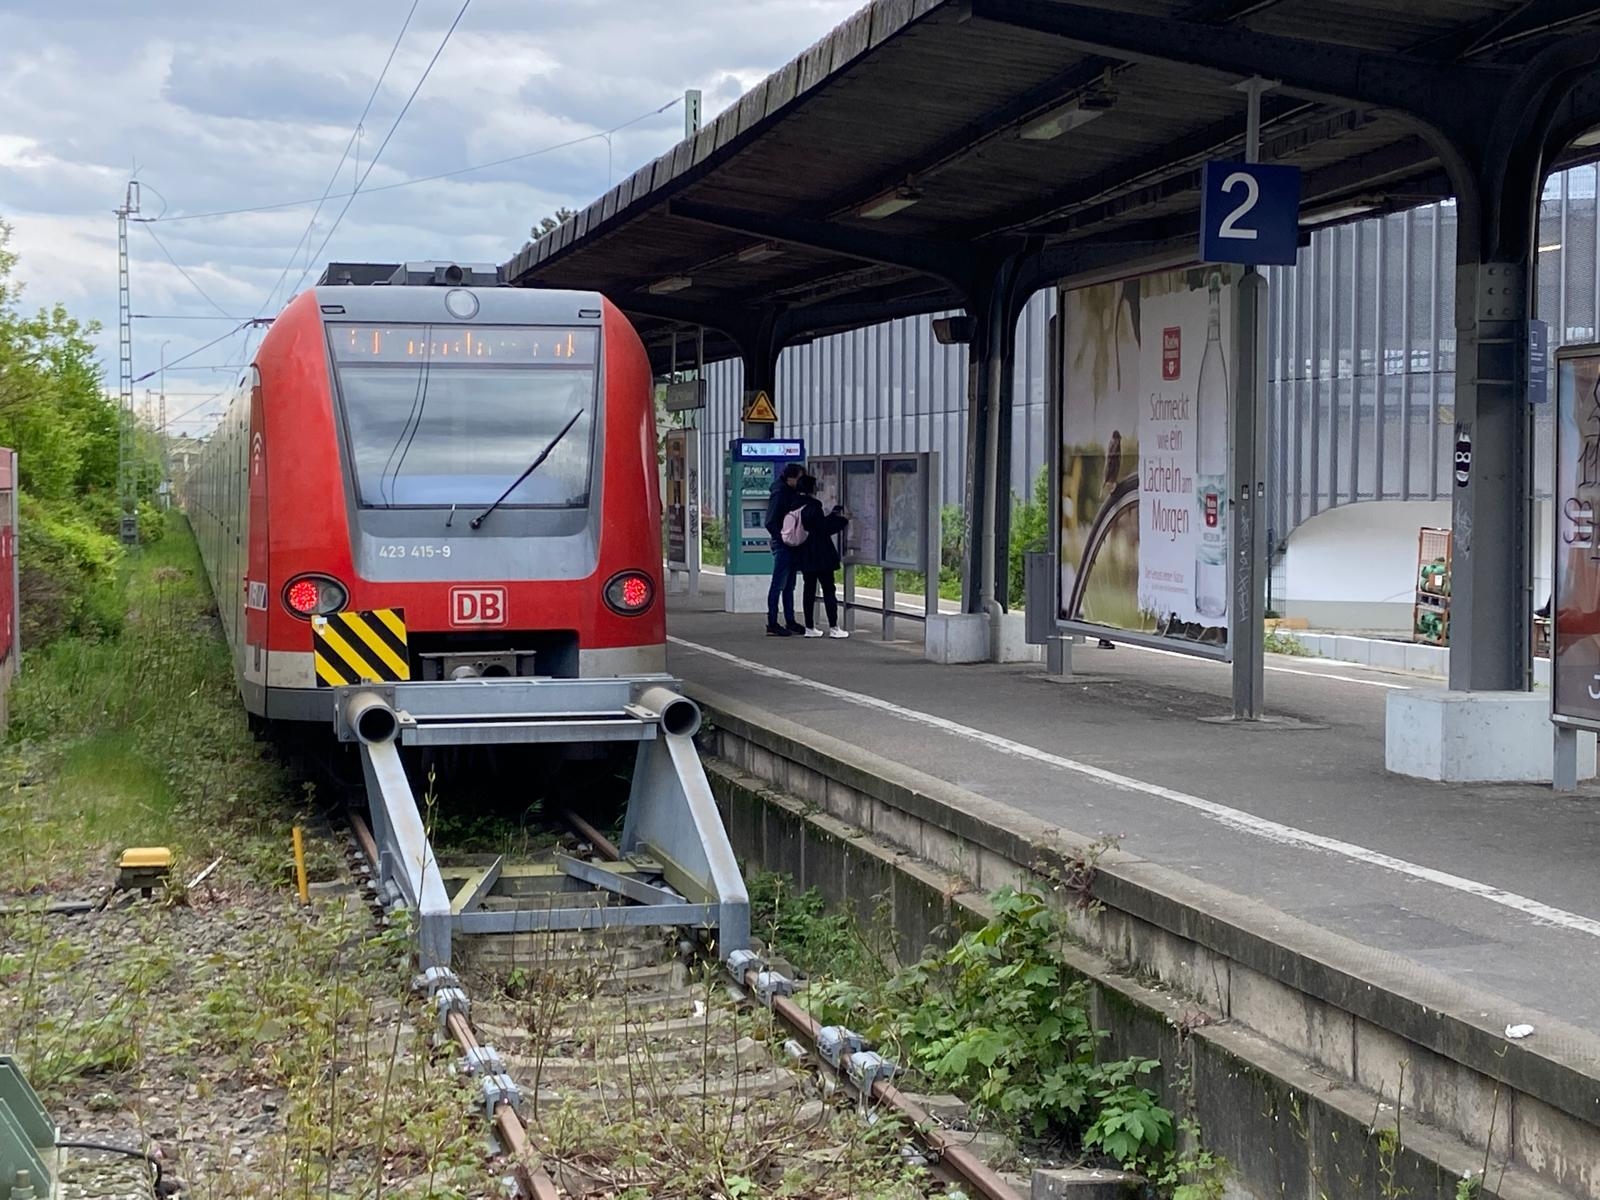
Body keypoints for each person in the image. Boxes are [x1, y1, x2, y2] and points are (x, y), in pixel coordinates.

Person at [792, 474, 850, 639]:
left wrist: (832, 515)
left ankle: (809, 627)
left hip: (804, 552)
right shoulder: (814, 505)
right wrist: (843, 521)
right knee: (828, 589)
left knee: (809, 590)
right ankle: (834, 627)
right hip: (821, 553)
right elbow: (822, 529)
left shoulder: (794, 504)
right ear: (812, 488)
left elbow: (816, 524)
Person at [763, 462, 806, 636]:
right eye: (799, 478)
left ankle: (790, 620)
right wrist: (783, 538)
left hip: (791, 543)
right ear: (790, 478)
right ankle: (772, 623)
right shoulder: (780, 493)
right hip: (783, 543)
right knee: (778, 584)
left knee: (789, 585)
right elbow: (770, 521)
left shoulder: (790, 492)